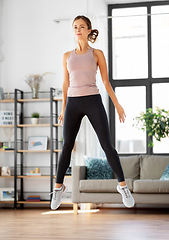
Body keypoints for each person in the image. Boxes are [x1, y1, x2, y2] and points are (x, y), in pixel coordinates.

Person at [50, 15, 135, 210]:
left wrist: (117, 105)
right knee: (66, 146)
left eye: (81, 26)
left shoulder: (97, 54)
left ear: (89, 30)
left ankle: (123, 186)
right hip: (73, 102)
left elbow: (106, 82)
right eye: (75, 27)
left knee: (107, 144)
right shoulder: (66, 56)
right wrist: (63, 107)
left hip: (92, 100)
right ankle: (58, 188)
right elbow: (65, 83)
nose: (78, 29)